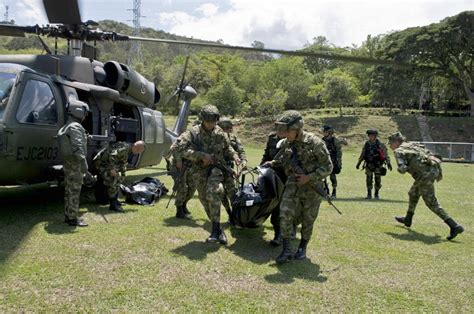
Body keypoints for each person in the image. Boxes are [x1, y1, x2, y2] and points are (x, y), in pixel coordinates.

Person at [265, 110, 333, 263]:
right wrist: (272, 163)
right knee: (285, 213)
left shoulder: (315, 143)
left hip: (311, 188)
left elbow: (328, 167)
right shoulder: (288, 142)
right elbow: (283, 159)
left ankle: (302, 247)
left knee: (308, 219)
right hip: (292, 184)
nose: (284, 134)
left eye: (287, 131)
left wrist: (309, 177)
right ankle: (287, 249)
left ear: (298, 128)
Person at [177, 105, 240, 245]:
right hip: (199, 171)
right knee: (205, 200)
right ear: (203, 119)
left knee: (213, 192)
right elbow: (178, 148)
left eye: (214, 121)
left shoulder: (219, 132)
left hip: (217, 169)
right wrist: (200, 155)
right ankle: (218, 231)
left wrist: (235, 156)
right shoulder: (192, 133)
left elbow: (227, 147)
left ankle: (214, 230)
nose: (211, 124)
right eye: (208, 121)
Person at [388, 132, 464, 240]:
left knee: (431, 203)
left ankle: (454, 226)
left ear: (396, 142)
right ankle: (408, 219)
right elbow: (432, 155)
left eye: (390, 143)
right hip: (433, 171)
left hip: (424, 176)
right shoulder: (413, 145)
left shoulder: (399, 150)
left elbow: (402, 169)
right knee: (413, 193)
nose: (390, 146)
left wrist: (399, 168)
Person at [57, 99, 90, 227]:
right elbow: (77, 147)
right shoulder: (75, 127)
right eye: (84, 112)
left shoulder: (67, 126)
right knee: (75, 190)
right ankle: (73, 218)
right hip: (75, 163)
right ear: (78, 111)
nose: (85, 115)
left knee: (69, 190)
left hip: (68, 163)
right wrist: (84, 164)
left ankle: (68, 215)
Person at [94, 140, 146, 212]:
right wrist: (112, 169)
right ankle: (113, 204)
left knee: (118, 179)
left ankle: (114, 200)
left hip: (107, 163)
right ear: (136, 147)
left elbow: (122, 163)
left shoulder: (129, 150)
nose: (138, 153)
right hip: (102, 163)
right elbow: (111, 155)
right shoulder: (124, 148)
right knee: (113, 180)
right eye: (139, 151)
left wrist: (122, 174)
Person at [217, 117, 247, 225]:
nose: (229, 130)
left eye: (230, 128)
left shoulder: (234, 138)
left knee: (232, 193)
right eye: (226, 128)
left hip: (229, 171)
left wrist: (243, 161)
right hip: (217, 170)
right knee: (221, 193)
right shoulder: (215, 139)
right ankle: (229, 213)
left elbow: (241, 151)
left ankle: (235, 215)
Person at [260, 130, 288, 246]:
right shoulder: (272, 137)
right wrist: (261, 166)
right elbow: (266, 154)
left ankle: (278, 235)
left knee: (278, 206)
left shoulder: (290, 139)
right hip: (269, 175)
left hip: (284, 177)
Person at [356, 129, 392, 199]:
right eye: (369, 136)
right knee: (369, 179)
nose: (370, 137)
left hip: (378, 165)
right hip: (369, 164)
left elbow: (385, 154)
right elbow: (363, 154)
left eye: (372, 136)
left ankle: (376, 194)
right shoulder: (367, 144)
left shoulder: (380, 145)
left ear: (375, 136)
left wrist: (388, 163)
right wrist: (359, 162)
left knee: (377, 179)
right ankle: (369, 194)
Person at [167, 135, 196, 219]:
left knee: (192, 187)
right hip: (178, 166)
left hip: (189, 166)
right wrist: (178, 160)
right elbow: (173, 147)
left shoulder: (201, 139)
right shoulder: (187, 136)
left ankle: (184, 205)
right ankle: (179, 211)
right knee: (182, 187)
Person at [322, 125, 342, 198]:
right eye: (323, 132)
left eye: (325, 132)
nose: (324, 133)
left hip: (333, 161)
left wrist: (339, 162)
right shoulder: (322, 140)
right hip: (324, 161)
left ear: (330, 132)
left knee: (332, 177)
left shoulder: (335, 141)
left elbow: (339, 152)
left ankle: (334, 191)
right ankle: (326, 191)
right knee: (323, 177)